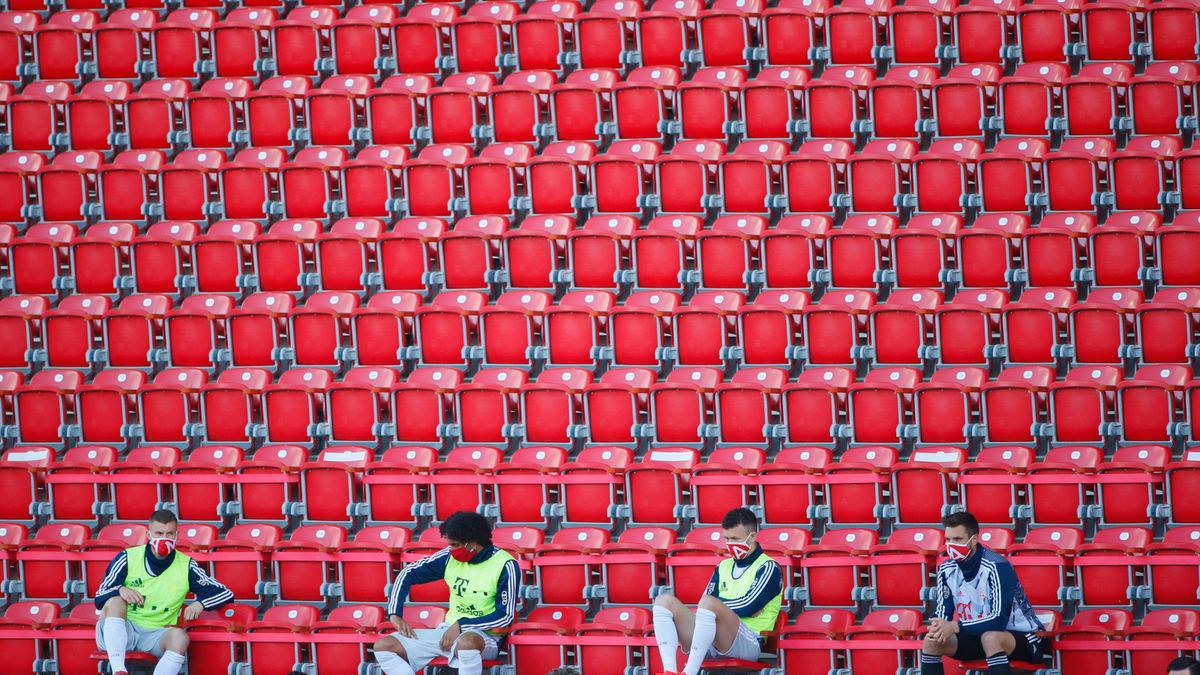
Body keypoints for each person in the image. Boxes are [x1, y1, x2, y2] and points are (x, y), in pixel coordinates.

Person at [373, 511, 521, 675]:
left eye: (456, 545)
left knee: (467, 642)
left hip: (485, 636)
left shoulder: (505, 564)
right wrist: (395, 613)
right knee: (383, 646)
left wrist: (461, 625)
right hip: (447, 631)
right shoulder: (448, 556)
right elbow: (406, 574)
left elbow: (505, 616)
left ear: (472, 542)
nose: (451, 549)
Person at [94, 509, 234, 675]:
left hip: (156, 633)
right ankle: (119, 670)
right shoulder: (128, 557)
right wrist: (120, 589)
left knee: (180, 637)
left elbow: (225, 593)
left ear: (176, 535)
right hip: (124, 628)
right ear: (149, 534)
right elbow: (100, 595)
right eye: (159, 533)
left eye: (169, 534)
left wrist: (201, 603)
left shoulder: (186, 565)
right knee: (115, 601)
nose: (164, 539)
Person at [652, 507, 783, 675]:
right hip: (711, 638)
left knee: (710, 604)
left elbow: (749, 605)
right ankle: (669, 671)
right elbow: (706, 605)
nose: (730, 544)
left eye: (735, 538)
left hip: (749, 641)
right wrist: (717, 607)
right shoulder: (723, 566)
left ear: (753, 536)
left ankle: (689, 672)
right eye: (727, 538)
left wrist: (718, 605)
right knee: (664, 601)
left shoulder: (769, 567)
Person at [921, 511, 1046, 675]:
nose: (951, 545)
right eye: (948, 540)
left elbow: (998, 621)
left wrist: (954, 626)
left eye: (957, 539)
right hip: (977, 635)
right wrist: (939, 627)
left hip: (1026, 638)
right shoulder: (946, 568)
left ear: (973, 540)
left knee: (991, 637)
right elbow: (943, 611)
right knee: (931, 641)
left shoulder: (997, 566)